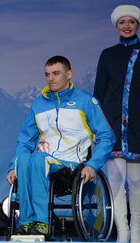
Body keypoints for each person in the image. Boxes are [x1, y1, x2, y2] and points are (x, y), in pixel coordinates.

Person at [6, 56, 115, 235]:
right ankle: (25, 222)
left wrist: (93, 164)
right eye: (47, 74)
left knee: (39, 159)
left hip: (71, 163)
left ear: (69, 74)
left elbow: (106, 136)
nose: (50, 78)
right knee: (24, 159)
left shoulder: (85, 101)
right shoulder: (38, 104)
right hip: (43, 160)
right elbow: (25, 141)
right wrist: (13, 167)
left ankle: (41, 222)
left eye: (56, 73)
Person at [93, 5, 140, 242]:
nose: (127, 26)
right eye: (122, 22)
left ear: (137, 24)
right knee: (115, 182)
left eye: (131, 21)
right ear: (116, 26)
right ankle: (122, 231)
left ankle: (138, 232)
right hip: (111, 125)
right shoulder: (108, 54)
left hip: (138, 126)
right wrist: (96, 124)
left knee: (136, 183)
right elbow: (98, 92)